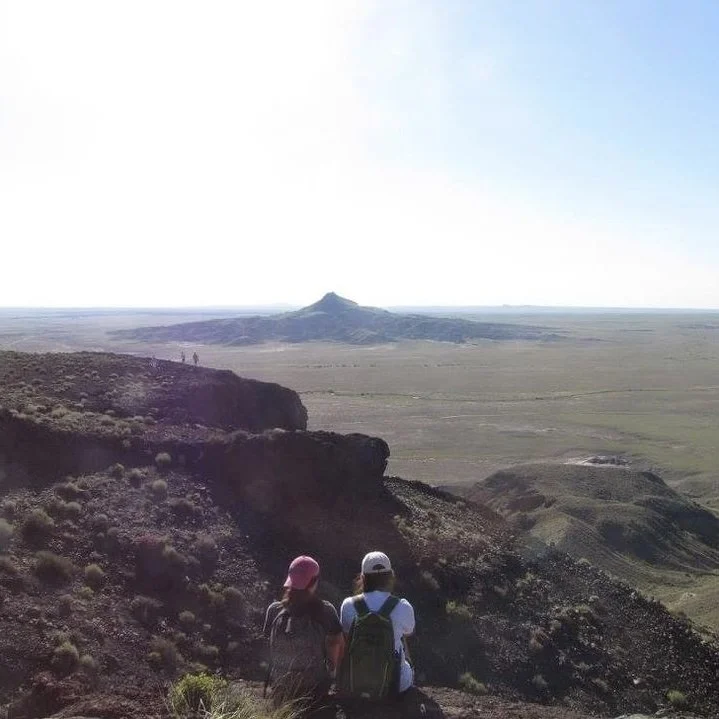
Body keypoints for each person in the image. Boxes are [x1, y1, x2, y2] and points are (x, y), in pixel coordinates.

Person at [263, 556, 344, 708]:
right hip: (315, 690)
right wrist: (333, 672)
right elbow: (337, 644)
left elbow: (269, 642)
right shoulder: (326, 610)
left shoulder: (274, 610)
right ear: (314, 583)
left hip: (281, 688)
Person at [339, 551, 415, 700]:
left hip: (356, 684)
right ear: (389, 577)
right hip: (395, 686)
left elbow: (347, 638)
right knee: (401, 638)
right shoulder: (402, 606)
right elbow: (409, 632)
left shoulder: (348, 605)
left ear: (362, 577)